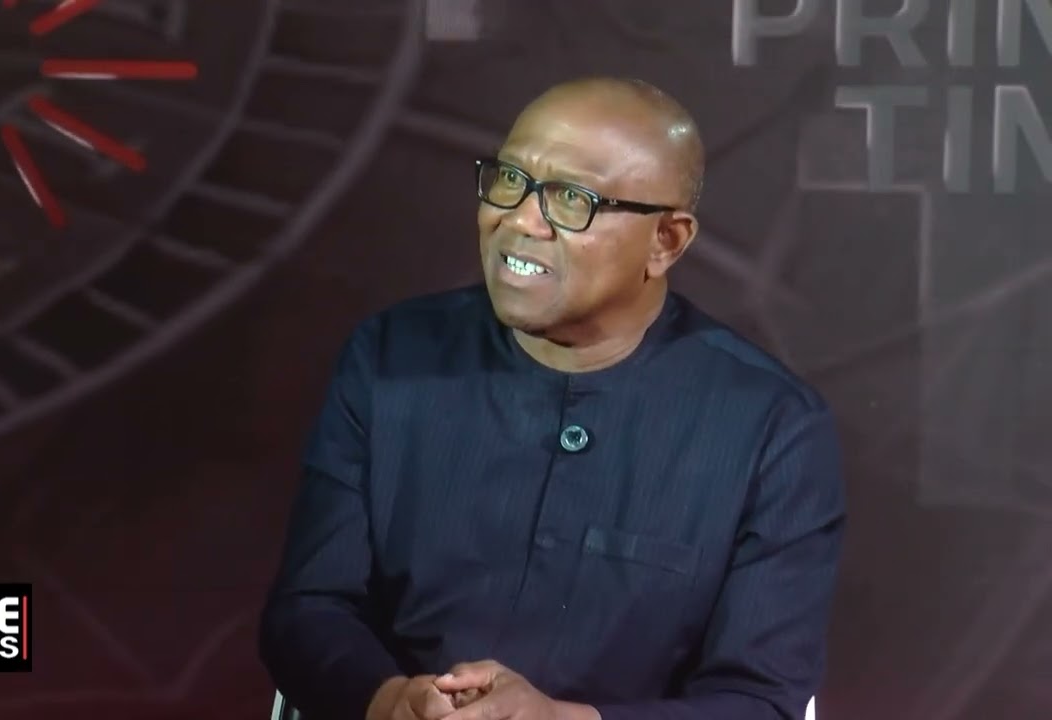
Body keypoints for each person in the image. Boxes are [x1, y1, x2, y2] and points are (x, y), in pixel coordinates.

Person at [259, 76, 846, 720]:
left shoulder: (771, 427)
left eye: (571, 198)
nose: (518, 219)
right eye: (511, 179)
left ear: (666, 241)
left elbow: (761, 701)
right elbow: (309, 608)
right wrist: (392, 701)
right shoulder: (391, 358)